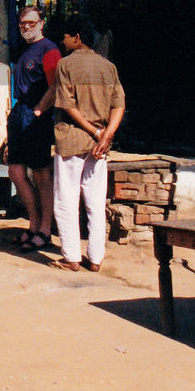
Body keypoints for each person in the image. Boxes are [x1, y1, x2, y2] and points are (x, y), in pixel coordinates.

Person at [51, 17, 124, 273]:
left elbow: (67, 105)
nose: (62, 41)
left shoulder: (65, 64)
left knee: (66, 199)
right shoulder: (108, 67)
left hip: (73, 139)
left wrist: (93, 130)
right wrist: (105, 135)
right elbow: (119, 105)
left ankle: (71, 257)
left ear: (77, 37)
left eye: (66, 36)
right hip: (99, 144)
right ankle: (95, 258)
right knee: (95, 200)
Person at [6, 7, 61, 250]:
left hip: (37, 115)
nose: (26, 27)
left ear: (41, 23)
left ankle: (45, 230)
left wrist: (39, 110)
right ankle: (33, 224)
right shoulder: (24, 50)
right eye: (22, 24)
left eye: (31, 23)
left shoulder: (49, 50)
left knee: (41, 174)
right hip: (19, 113)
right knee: (16, 173)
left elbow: (55, 86)